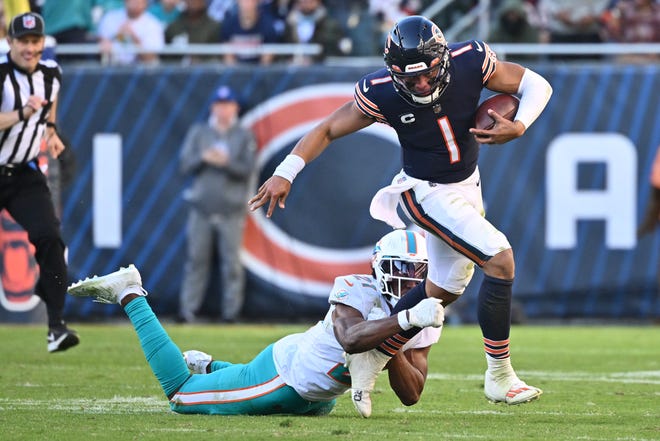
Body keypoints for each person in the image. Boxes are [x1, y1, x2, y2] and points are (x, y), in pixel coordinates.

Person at [248, 15, 553, 416]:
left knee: (443, 290)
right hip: (423, 191)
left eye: (427, 75)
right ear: (395, 75)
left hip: (466, 187)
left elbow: (537, 84)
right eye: (411, 81)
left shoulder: (471, 60)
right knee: (499, 258)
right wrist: (285, 172)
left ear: (442, 60)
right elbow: (327, 130)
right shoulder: (380, 92)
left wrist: (520, 125)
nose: (422, 85)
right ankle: (499, 375)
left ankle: (374, 352)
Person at [68, 230, 445, 416]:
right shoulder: (357, 289)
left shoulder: (425, 316)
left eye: (418, 271)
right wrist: (404, 319)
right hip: (286, 376)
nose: (410, 280)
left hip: (319, 398)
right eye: (401, 269)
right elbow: (349, 339)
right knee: (181, 396)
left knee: (300, 402)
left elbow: (411, 394)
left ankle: (210, 368)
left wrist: (399, 333)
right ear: (379, 269)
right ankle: (129, 292)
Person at [0, 12, 79, 352]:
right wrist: (23, 115)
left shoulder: (51, 73)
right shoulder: (2, 73)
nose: (30, 48)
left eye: (35, 42)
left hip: (23, 173)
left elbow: (50, 109)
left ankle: (56, 327)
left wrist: (50, 130)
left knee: (51, 239)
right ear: (11, 43)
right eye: (23, 42)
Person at [178, 85, 257, 323]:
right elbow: (184, 165)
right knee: (195, 261)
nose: (223, 110)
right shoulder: (199, 132)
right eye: (219, 105)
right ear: (213, 107)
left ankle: (231, 313)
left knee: (231, 265)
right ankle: (188, 311)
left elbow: (248, 169)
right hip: (200, 209)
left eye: (228, 105)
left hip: (230, 211)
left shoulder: (244, 135)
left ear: (235, 108)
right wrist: (203, 157)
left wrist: (225, 162)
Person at [97, 0, 165, 65]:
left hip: (142, 70)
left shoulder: (153, 24)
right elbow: (102, 46)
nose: (134, 3)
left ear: (145, 3)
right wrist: (117, 36)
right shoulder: (110, 18)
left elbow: (150, 58)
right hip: (112, 68)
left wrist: (133, 38)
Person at [282, 0, 349, 64]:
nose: (306, 2)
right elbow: (283, 47)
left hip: (320, 70)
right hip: (293, 69)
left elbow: (333, 50)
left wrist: (313, 59)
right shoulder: (290, 22)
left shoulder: (330, 25)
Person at [219, 0, 282, 65]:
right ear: (238, 2)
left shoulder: (268, 25)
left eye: (251, 1)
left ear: (257, 2)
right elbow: (228, 58)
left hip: (260, 72)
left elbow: (266, 61)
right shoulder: (229, 24)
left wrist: (256, 74)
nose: (247, 5)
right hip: (235, 72)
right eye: (244, 1)